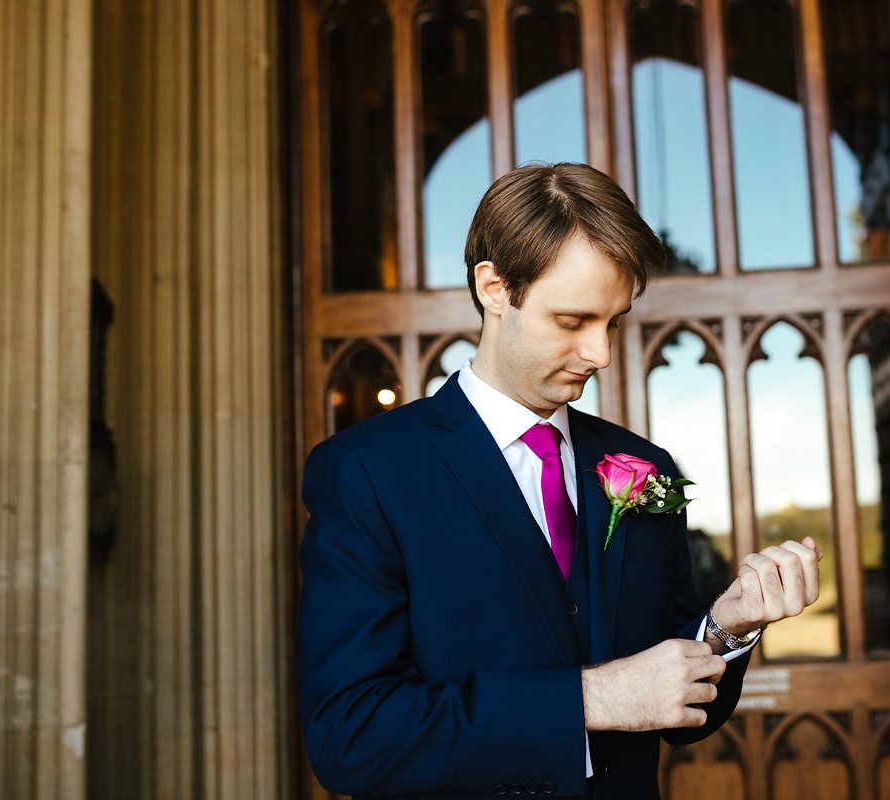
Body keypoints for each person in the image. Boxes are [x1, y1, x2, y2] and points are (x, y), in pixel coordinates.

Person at [295, 162, 821, 799]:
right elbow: (352, 735)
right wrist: (590, 700)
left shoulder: (644, 469)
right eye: (573, 322)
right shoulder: (367, 472)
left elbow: (682, 714)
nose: (600, 353)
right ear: (494, 288)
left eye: (613, 322)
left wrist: (724, 628)